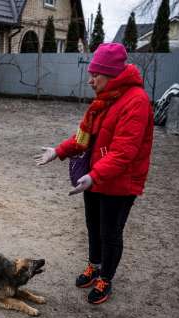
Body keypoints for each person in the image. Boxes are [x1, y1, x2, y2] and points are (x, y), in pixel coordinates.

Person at [34, 43, 154, 304]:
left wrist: (94, 176)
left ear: (110, 74)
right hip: (96, 178)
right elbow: (84, 137)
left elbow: (124, 152)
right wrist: (58, 151)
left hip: (119, 183)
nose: (89, 80)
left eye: (94, 75)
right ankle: (94, 265)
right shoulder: (104, 100)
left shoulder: (136, 101)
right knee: (93, 226)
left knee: (110, 232)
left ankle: (105, 279)